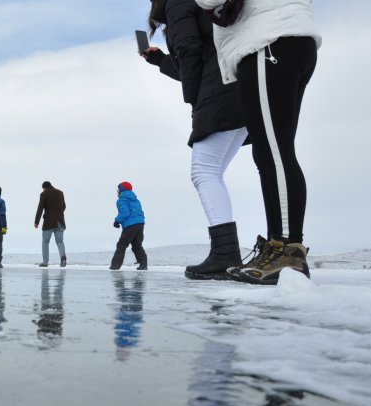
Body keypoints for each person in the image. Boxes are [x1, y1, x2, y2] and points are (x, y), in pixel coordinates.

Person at [194, 0, 320, 285]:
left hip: (268, 42)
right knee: (269, 153)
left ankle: (288, 250)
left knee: (274, 152)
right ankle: (278, 247)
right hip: (283, 39)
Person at [143, 0, 249, 280]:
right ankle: (227, 252)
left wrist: (194, 101)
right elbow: (194, 62)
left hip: (221, 92)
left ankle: (226, 254)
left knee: (204, 171)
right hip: (239, 85)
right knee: (211, 172)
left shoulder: (178, 2)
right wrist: (160, 61)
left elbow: (190, 52)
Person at [110, 182, 148, 270]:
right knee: (137, 244)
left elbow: (125, 212)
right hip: (140, 223)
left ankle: (115, 266)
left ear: (121, 191)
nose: (117, 192)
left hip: (130, 225)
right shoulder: (136, 200)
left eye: (118, 190)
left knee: (121, 245)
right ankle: (143, 264)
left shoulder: (121, 200)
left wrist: (117, 221)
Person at [34, 181, 67, 267]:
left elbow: (40, 208)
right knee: (60, 241)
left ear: (44, 187)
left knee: (45, 242)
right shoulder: (60, 193)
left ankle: (45, 262)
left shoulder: (44, 194)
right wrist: (58, 213)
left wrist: (36, 222)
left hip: (49, 222)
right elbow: (64, 206)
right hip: (60, 221)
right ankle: (63, 257)